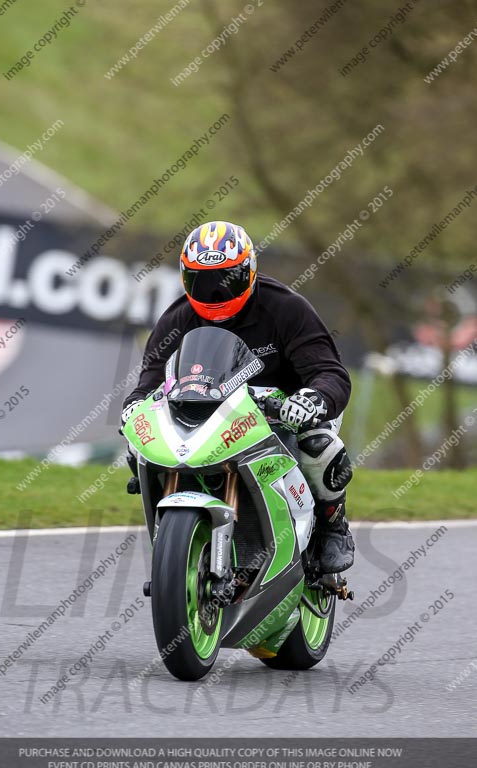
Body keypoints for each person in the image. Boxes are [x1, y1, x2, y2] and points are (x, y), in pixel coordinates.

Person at [121, 221, 354, 573]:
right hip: (212, 412)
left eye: (227, 279)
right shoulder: (177, 319)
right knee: (139, 442)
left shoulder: (286, 308)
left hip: (288, 409)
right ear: (185, 278)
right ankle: (177, 536)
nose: (215, 293)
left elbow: (330, 372)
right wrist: (134, 406)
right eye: (203, 282)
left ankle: (332, 525)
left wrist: (312, 399)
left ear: (250, 271)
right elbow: (150, 381)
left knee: (318, 446)